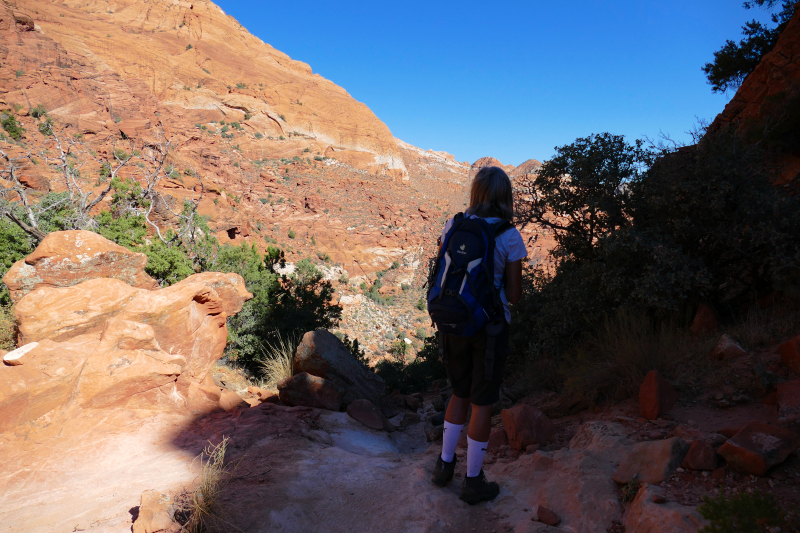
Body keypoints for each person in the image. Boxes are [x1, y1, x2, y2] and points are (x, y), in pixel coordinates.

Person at [430, 166, 527, 505]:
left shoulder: (454, 224)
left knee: (458, 393)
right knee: (482, 402)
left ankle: (444, 466)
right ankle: (473, 481)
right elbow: (514, 295)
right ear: (505, 197)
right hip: (490, 328)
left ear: (476, 194)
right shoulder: (509, 235)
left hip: (454, 322)